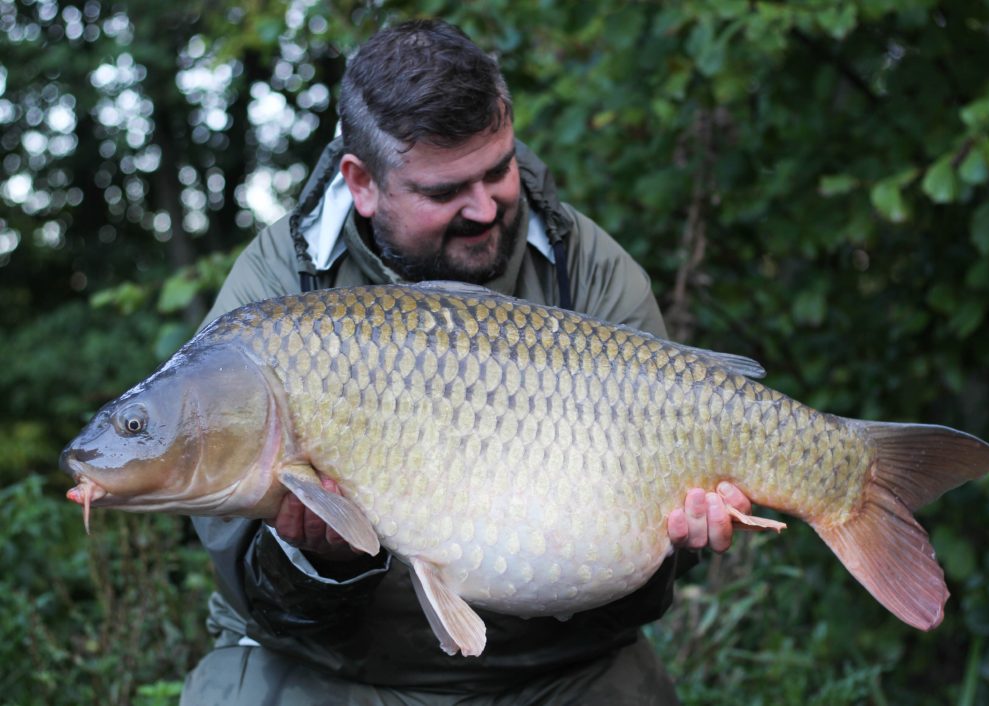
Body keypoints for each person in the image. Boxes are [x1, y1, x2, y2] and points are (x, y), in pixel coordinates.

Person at [180, 18, 753, 705]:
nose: (485, 209)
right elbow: (250, 587)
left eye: (499, 169)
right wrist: (311, 560)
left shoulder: (589, 270)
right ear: (362, 183)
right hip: (341, 670)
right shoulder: (276, 296)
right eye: (444, 191)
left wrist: (679, 543)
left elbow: (638, 593)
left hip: (554, 666)